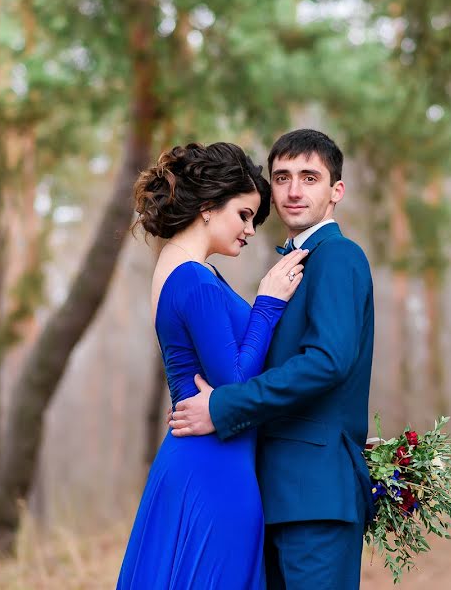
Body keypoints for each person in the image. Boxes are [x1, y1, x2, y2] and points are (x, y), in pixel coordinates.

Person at [170, 129, 375, 590]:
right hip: (277, 495)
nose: (294, 190)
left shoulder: (339, 257)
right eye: (282, 177)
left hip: (315, 499)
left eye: (310, 177)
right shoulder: (295, 264)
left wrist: (223, 406)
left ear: (336, 191)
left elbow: (327, 362)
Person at [116, 141, 309, 589]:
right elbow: (234, 383)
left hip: (205, 460)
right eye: (244, 215)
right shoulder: (194, 279)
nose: (249, 230)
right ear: (207, 207)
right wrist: (267, 303)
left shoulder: (180, 267)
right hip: (213, 468)